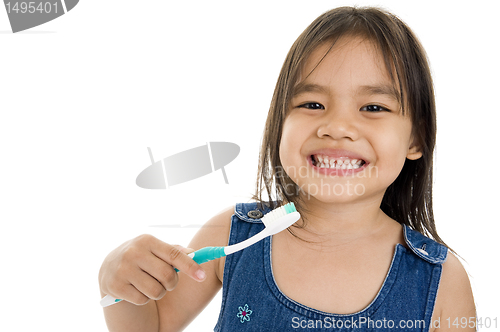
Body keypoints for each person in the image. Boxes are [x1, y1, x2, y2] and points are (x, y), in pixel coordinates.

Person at [99, 6, 476, 331]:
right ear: (279, 123)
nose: (336, 127)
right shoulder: (234, 235)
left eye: (373, 108)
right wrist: (117, 284)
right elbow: (154, 324)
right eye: (312, 104)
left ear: (416, 140)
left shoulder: (440, 279)